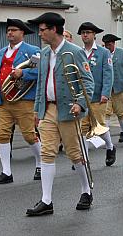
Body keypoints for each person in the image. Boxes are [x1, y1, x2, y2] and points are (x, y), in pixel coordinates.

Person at [25, 12, 95, 216]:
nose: (40, 33)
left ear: (54, 29)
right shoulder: (45, 53)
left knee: (75, 154)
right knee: (47, 152)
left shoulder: (75, 51)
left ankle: (86, 189)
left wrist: (81, 104)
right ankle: (46, 200)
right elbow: (41, 83)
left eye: (42, 29)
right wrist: (37, 110)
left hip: (68, 109)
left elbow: (88, 82)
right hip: (48, 108)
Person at [0, 19, 42, 184]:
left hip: (23, 99)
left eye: (13, 30)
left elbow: (41, 71)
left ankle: (41, 164)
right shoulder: (1, 51)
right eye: (8, 30)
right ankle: (6, 171)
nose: (10, 33)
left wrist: (23, 74)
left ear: (22, 33)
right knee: (2, 134)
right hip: (4, 100)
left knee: (29, 135)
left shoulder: (32, 50)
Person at [77, 22, 116, 166]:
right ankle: (84, 158)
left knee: (98, 125)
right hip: (81, 97)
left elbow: (108, 74)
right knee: (83, 127)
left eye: (88, 32)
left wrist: (105, 93)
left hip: (98, 95)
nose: (85, 35)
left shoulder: (103, 52)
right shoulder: (78, 52)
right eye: (83, 33)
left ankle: (110, 147)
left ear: (94, 35)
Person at [102, 33, 123, 143]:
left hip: (119, 87)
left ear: (113, 44)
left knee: (120, 112)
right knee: (106, 112)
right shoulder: (102, 53)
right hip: (106, 88)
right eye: (106, 45)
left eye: (109, 45)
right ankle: (106, 134)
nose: (107, 47)